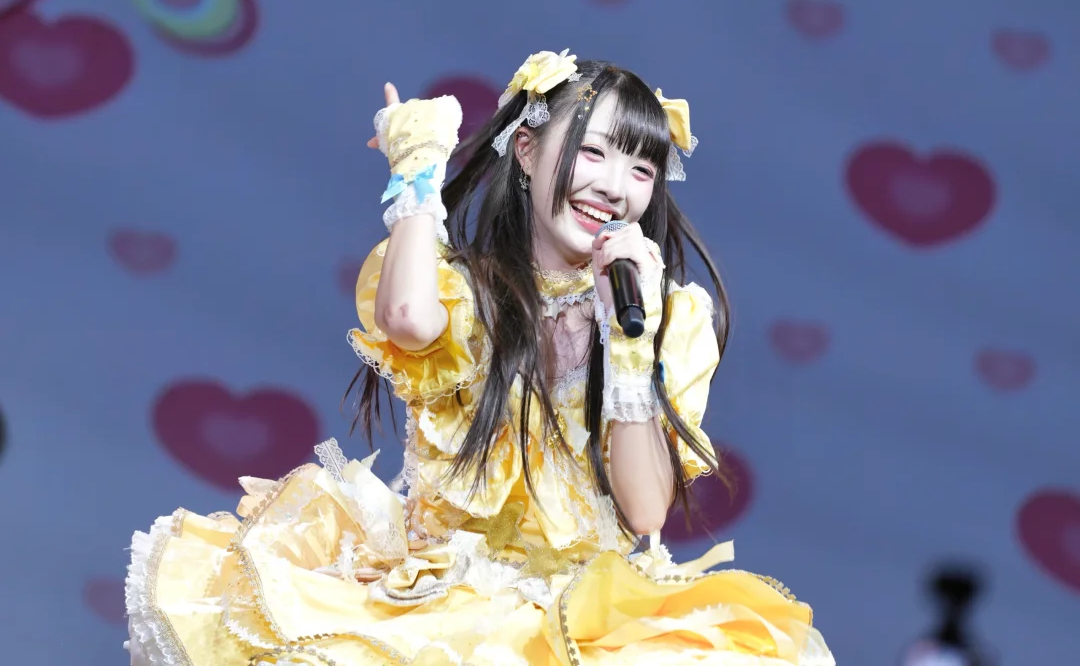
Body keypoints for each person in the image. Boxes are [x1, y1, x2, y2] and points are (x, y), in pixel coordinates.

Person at [124, 50, 835, 665]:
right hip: (438, 603)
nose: (614, 187)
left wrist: (629, 347)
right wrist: (417, 172)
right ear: (526, 152)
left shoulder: (664, 316)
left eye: (641, 168)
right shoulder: (469, 292)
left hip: (584, 621)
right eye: (592, 153)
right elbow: (407, 319)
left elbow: (646, 510)